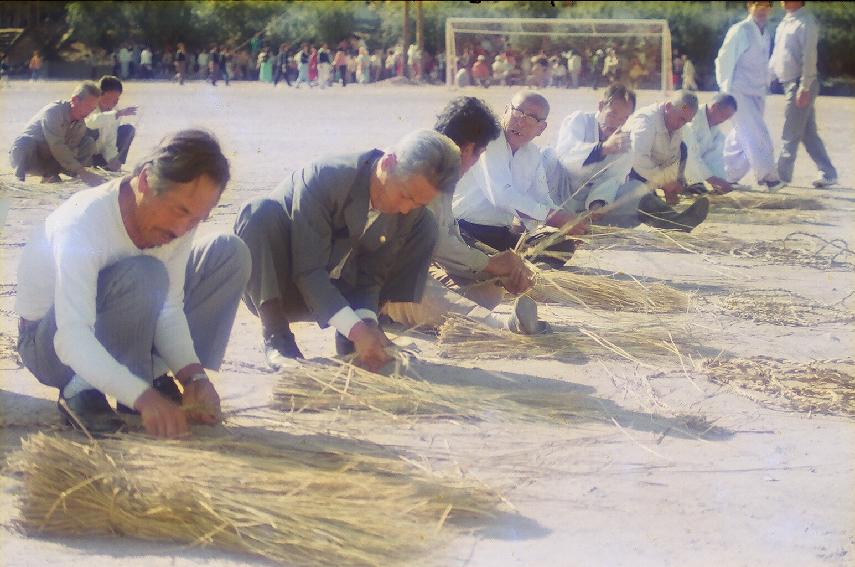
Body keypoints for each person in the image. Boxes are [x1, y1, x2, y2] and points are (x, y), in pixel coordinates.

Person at [15, 130, 251, 437]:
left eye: (198, 218)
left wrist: (194, 377)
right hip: (51, 344)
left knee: (228, 252)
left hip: (125, 325)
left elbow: (169, 307)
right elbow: (70, 337)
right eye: (181, 211)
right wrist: (142, 396)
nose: (184, 228)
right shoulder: (83, 223)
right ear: (144, 182)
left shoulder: (178, 222)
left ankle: (148, 374)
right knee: (145, 273)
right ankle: (83, 390)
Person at [234, 130, 459, 371]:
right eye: (405, 195)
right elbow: (308, 270)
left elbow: (374, 274)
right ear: (388, 162)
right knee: (257, 212)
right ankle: (277, 337)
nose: (406, 209)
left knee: (424, 224)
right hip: (283, 286)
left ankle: (362, 332)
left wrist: (364, 323)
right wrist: (356, 329)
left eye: (418, 202)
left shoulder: (409, 209)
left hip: (337, 288)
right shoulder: (326, 176)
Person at [383, 97, 545, 335]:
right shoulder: (420, 167)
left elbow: (449, 236)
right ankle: (502, 327)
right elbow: (442, 245)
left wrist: (493, 270)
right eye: (479, 154)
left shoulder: (444, 170)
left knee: (490, 289)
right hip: (380, 274)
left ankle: (429, 311)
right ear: (468, 149)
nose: (475, 162)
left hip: (419, 264)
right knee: (419, 290)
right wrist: (491, 263)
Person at [452, 91, 581, 255]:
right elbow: (501, 196)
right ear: (506, 111)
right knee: (490, 260)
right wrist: (554, 217)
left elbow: (541, 198)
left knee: (562, 247)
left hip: (499, 232)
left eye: (531, 118)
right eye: (517, 112)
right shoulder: (488, 140)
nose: (520, 121)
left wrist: (567, 222)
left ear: (541, 128)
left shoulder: (532, 153)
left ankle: (504, 263)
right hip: (462, 228)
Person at [715, 1, 784, 191]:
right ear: (749, 6)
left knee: (741, 135)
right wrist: (725, 90)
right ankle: (769, 178)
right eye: (757, 5)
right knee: (757, 132)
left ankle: (726, 175)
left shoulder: (767, 33)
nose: (762, 9)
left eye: (766, 5)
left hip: (757, 92)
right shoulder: (740, 30)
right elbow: (723, 60)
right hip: (738, 92)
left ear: (771, 8)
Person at [769, 0, 838, 188]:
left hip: (800, 83)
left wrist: (805, 87)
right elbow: (777, 55)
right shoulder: (785, 22)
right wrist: (767, 77)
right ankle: (829, 173)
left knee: (789, 131)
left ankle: (781, 176)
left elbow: (809, 57)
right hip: (788, 83)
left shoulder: (806, 23)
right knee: (808, 134)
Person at [623, 90, 710, 231]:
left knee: (682, 148)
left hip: (648, 172)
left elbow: (672, 157)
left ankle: (670, 214)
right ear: (668, 106)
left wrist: (671, 184)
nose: (682, 124)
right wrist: (664, 182)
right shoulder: (646, 121)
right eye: (681, 119)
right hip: (625, 175)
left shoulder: (675, 122)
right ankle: (674, 222)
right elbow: (637, 158)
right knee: (641, 195)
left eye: (686, 121)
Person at [10, 81, 104, 185]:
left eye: (92, 109)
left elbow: (69, 150)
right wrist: (82, 171)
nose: (89, 112)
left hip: (50, 161)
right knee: (24, 141)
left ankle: (51, 174)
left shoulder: (80, 124)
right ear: (74, 100)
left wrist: (79, 170)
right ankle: (18, 177)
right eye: (87, 107)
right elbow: (56, 145)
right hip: (31, 158)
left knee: (88, 143)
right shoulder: (54, 111)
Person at [684, 93, 738, 194]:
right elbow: (690, 154)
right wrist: (713, 180)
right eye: (723, 116)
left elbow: (714, 157)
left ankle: (694, 182)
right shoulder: (693, 118)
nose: (723, 121)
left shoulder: (716, 128)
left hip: (692, 168)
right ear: (714, 107)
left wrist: (720, 180)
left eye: (727, 118)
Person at [86, 75, 138, 172]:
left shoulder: (115, 112)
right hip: (85, 155)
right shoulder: (88, 104)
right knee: (91, 131)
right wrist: (117, 114)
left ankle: (113, 166)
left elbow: (111, 141)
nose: (115, 103)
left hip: (100, 156)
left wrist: (113, 159)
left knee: (128, 130)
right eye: (112, 99)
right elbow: (91, 123)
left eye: (117, 99)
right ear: (100, 95)